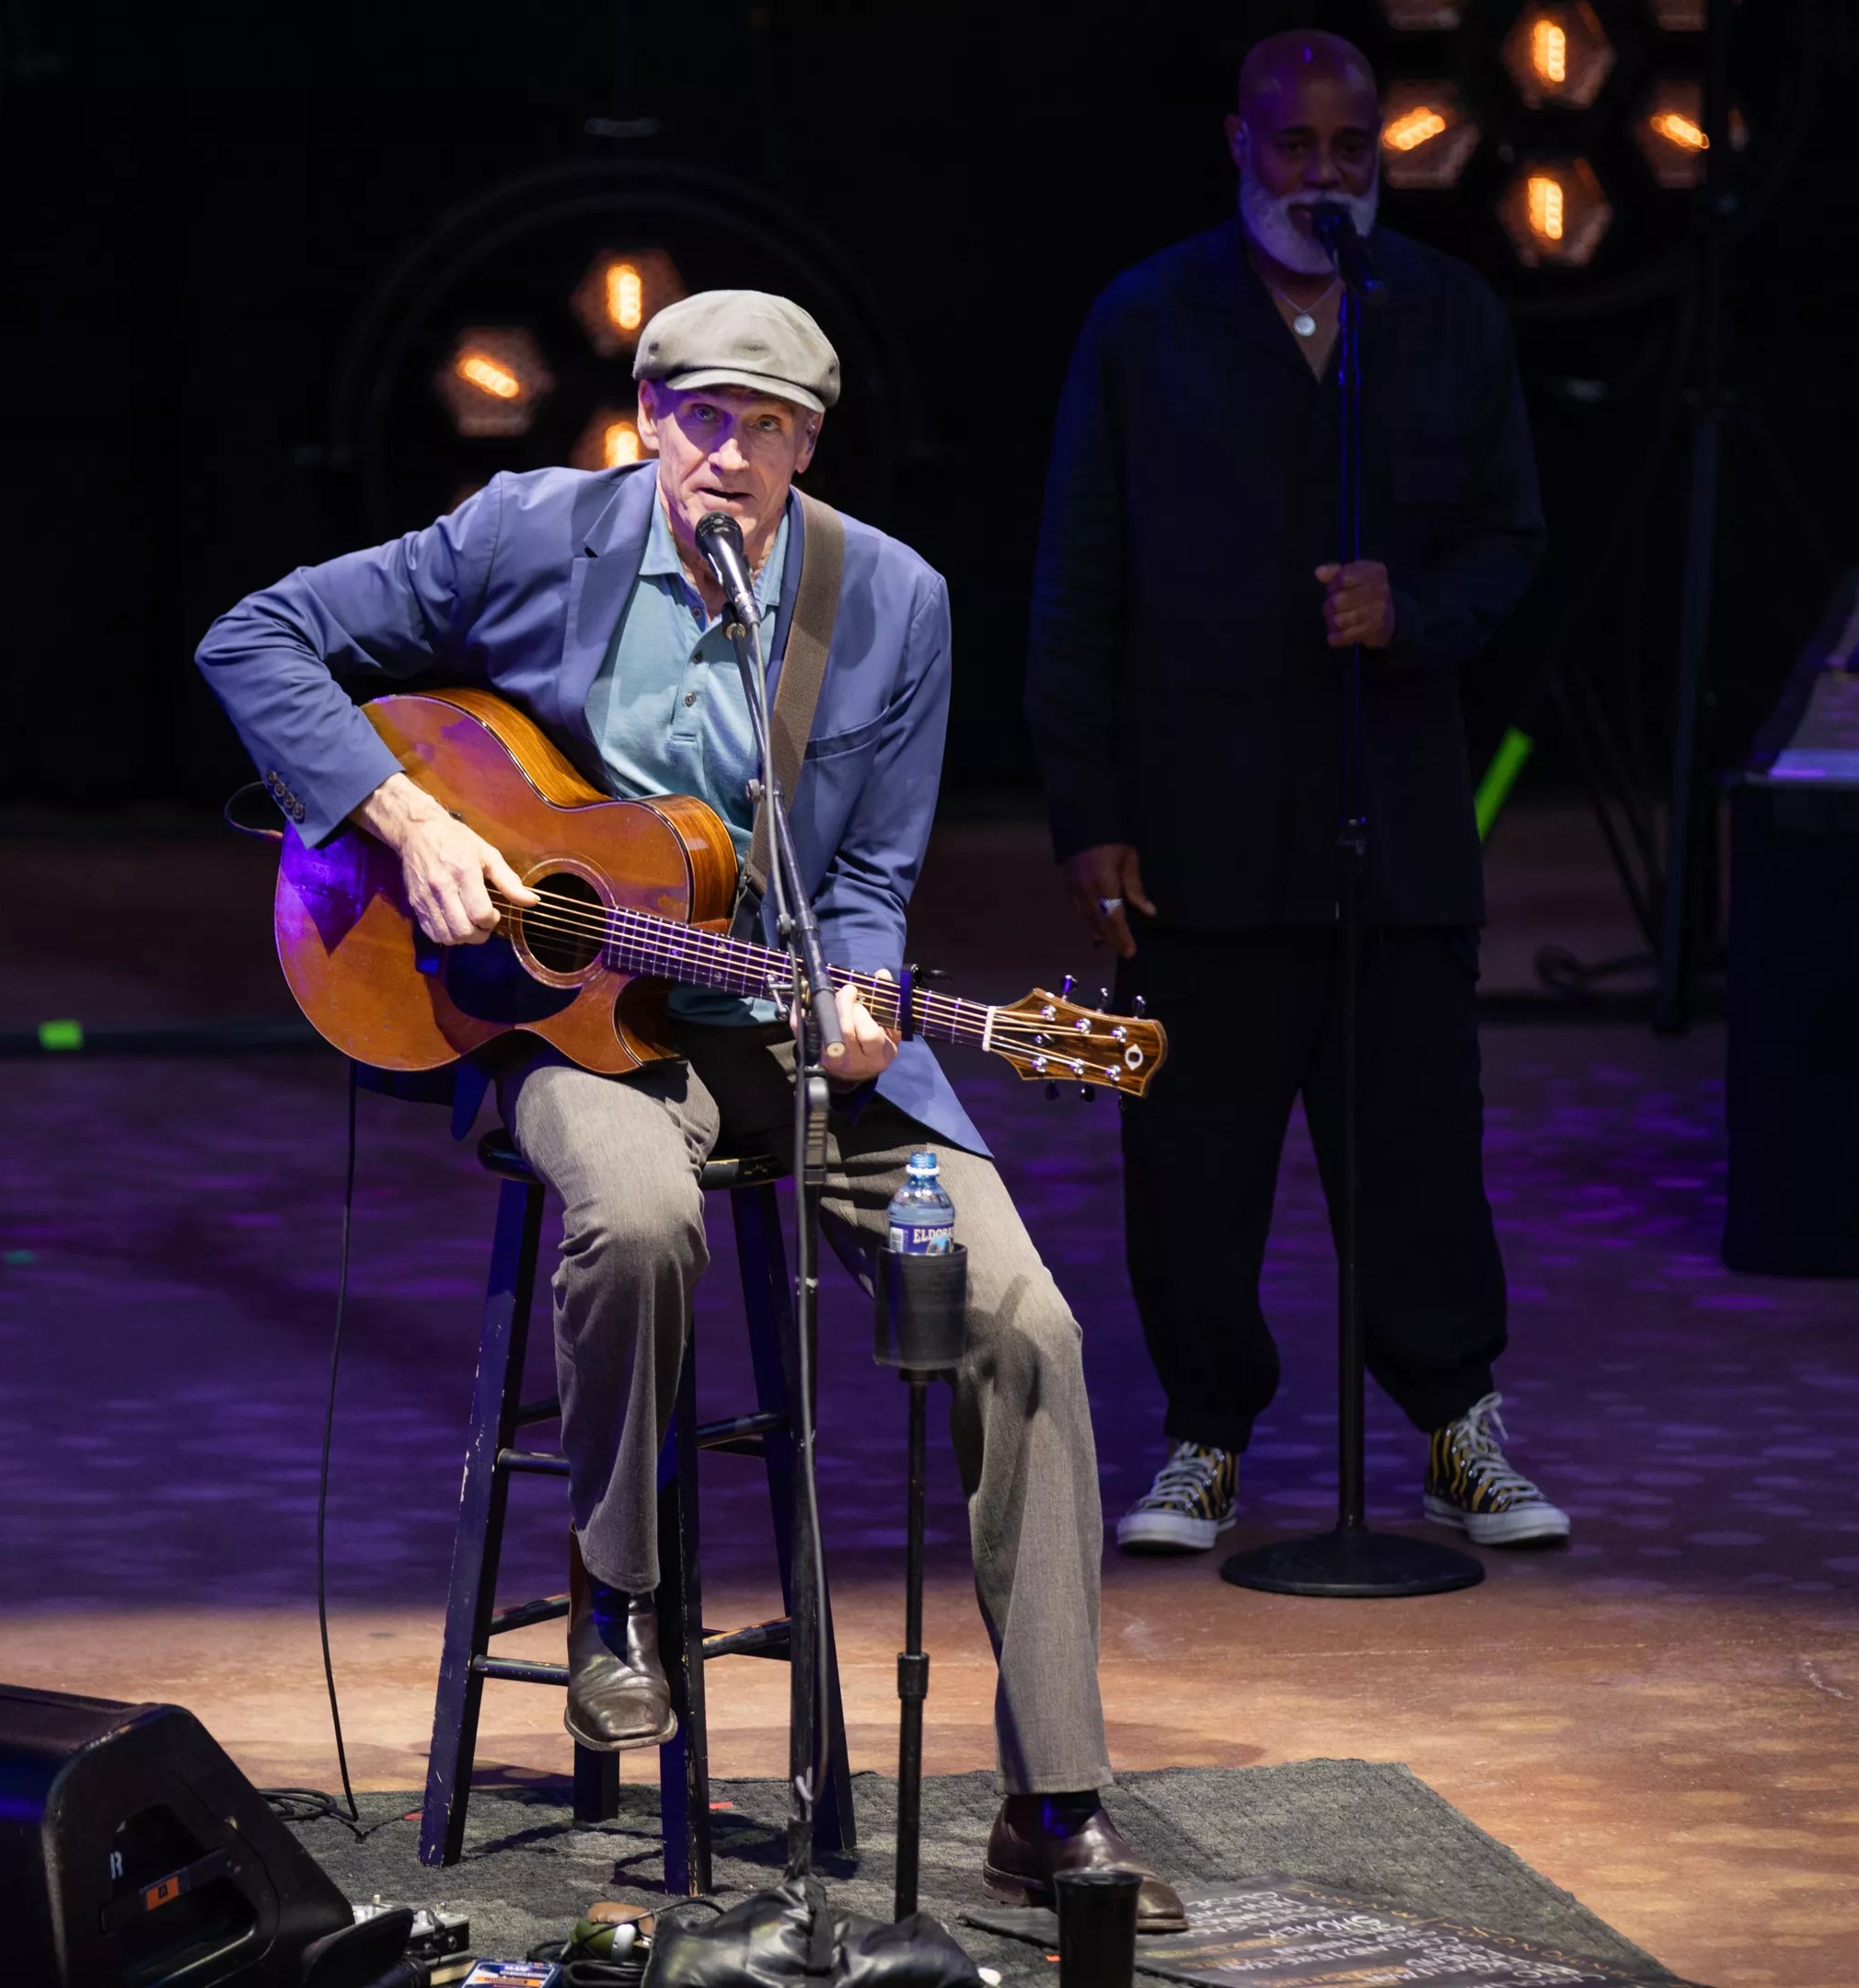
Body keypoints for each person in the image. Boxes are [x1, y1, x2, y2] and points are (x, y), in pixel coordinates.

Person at [201, 292, 1184, 1925]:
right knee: (643, 1215)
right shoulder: (529, 532)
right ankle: (621, 1606)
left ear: (813, 444)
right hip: (571, 1031)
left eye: (770, 429)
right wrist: (409, 822)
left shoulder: (895, 603)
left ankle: (1055, 1795)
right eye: (702, 419)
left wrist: (865, 997)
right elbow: (254, 636)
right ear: (647, 414)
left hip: (795, 1042)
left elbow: (866, 875)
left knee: (1025, 1320)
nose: (728, 456)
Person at [1024, 31, 1567, 1557]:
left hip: (1389, 816)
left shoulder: (1444, 315)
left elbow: (1511, 542)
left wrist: (1416, 609)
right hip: (1197, 821)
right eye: (1296, 147)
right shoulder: (1146, 320)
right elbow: (1076, 577)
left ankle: (1456, 1429)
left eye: (1351, 148)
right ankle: (1206, 1436)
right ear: (1240, 144)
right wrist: (1089, 810)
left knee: (1415, 1144)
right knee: (1193, 1155)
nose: (1325, 175)